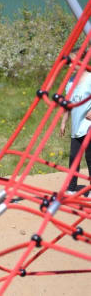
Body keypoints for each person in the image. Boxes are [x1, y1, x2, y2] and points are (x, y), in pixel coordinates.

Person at [59, 48, 91, 195]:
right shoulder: (70, 82)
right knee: (73, 158)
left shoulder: (90, 78)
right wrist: (64, 122)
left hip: (89, 126)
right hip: (76, 127)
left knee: (90, 157)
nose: (70, 65)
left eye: (73, 61)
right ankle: (71, 188)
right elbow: (67, 104)